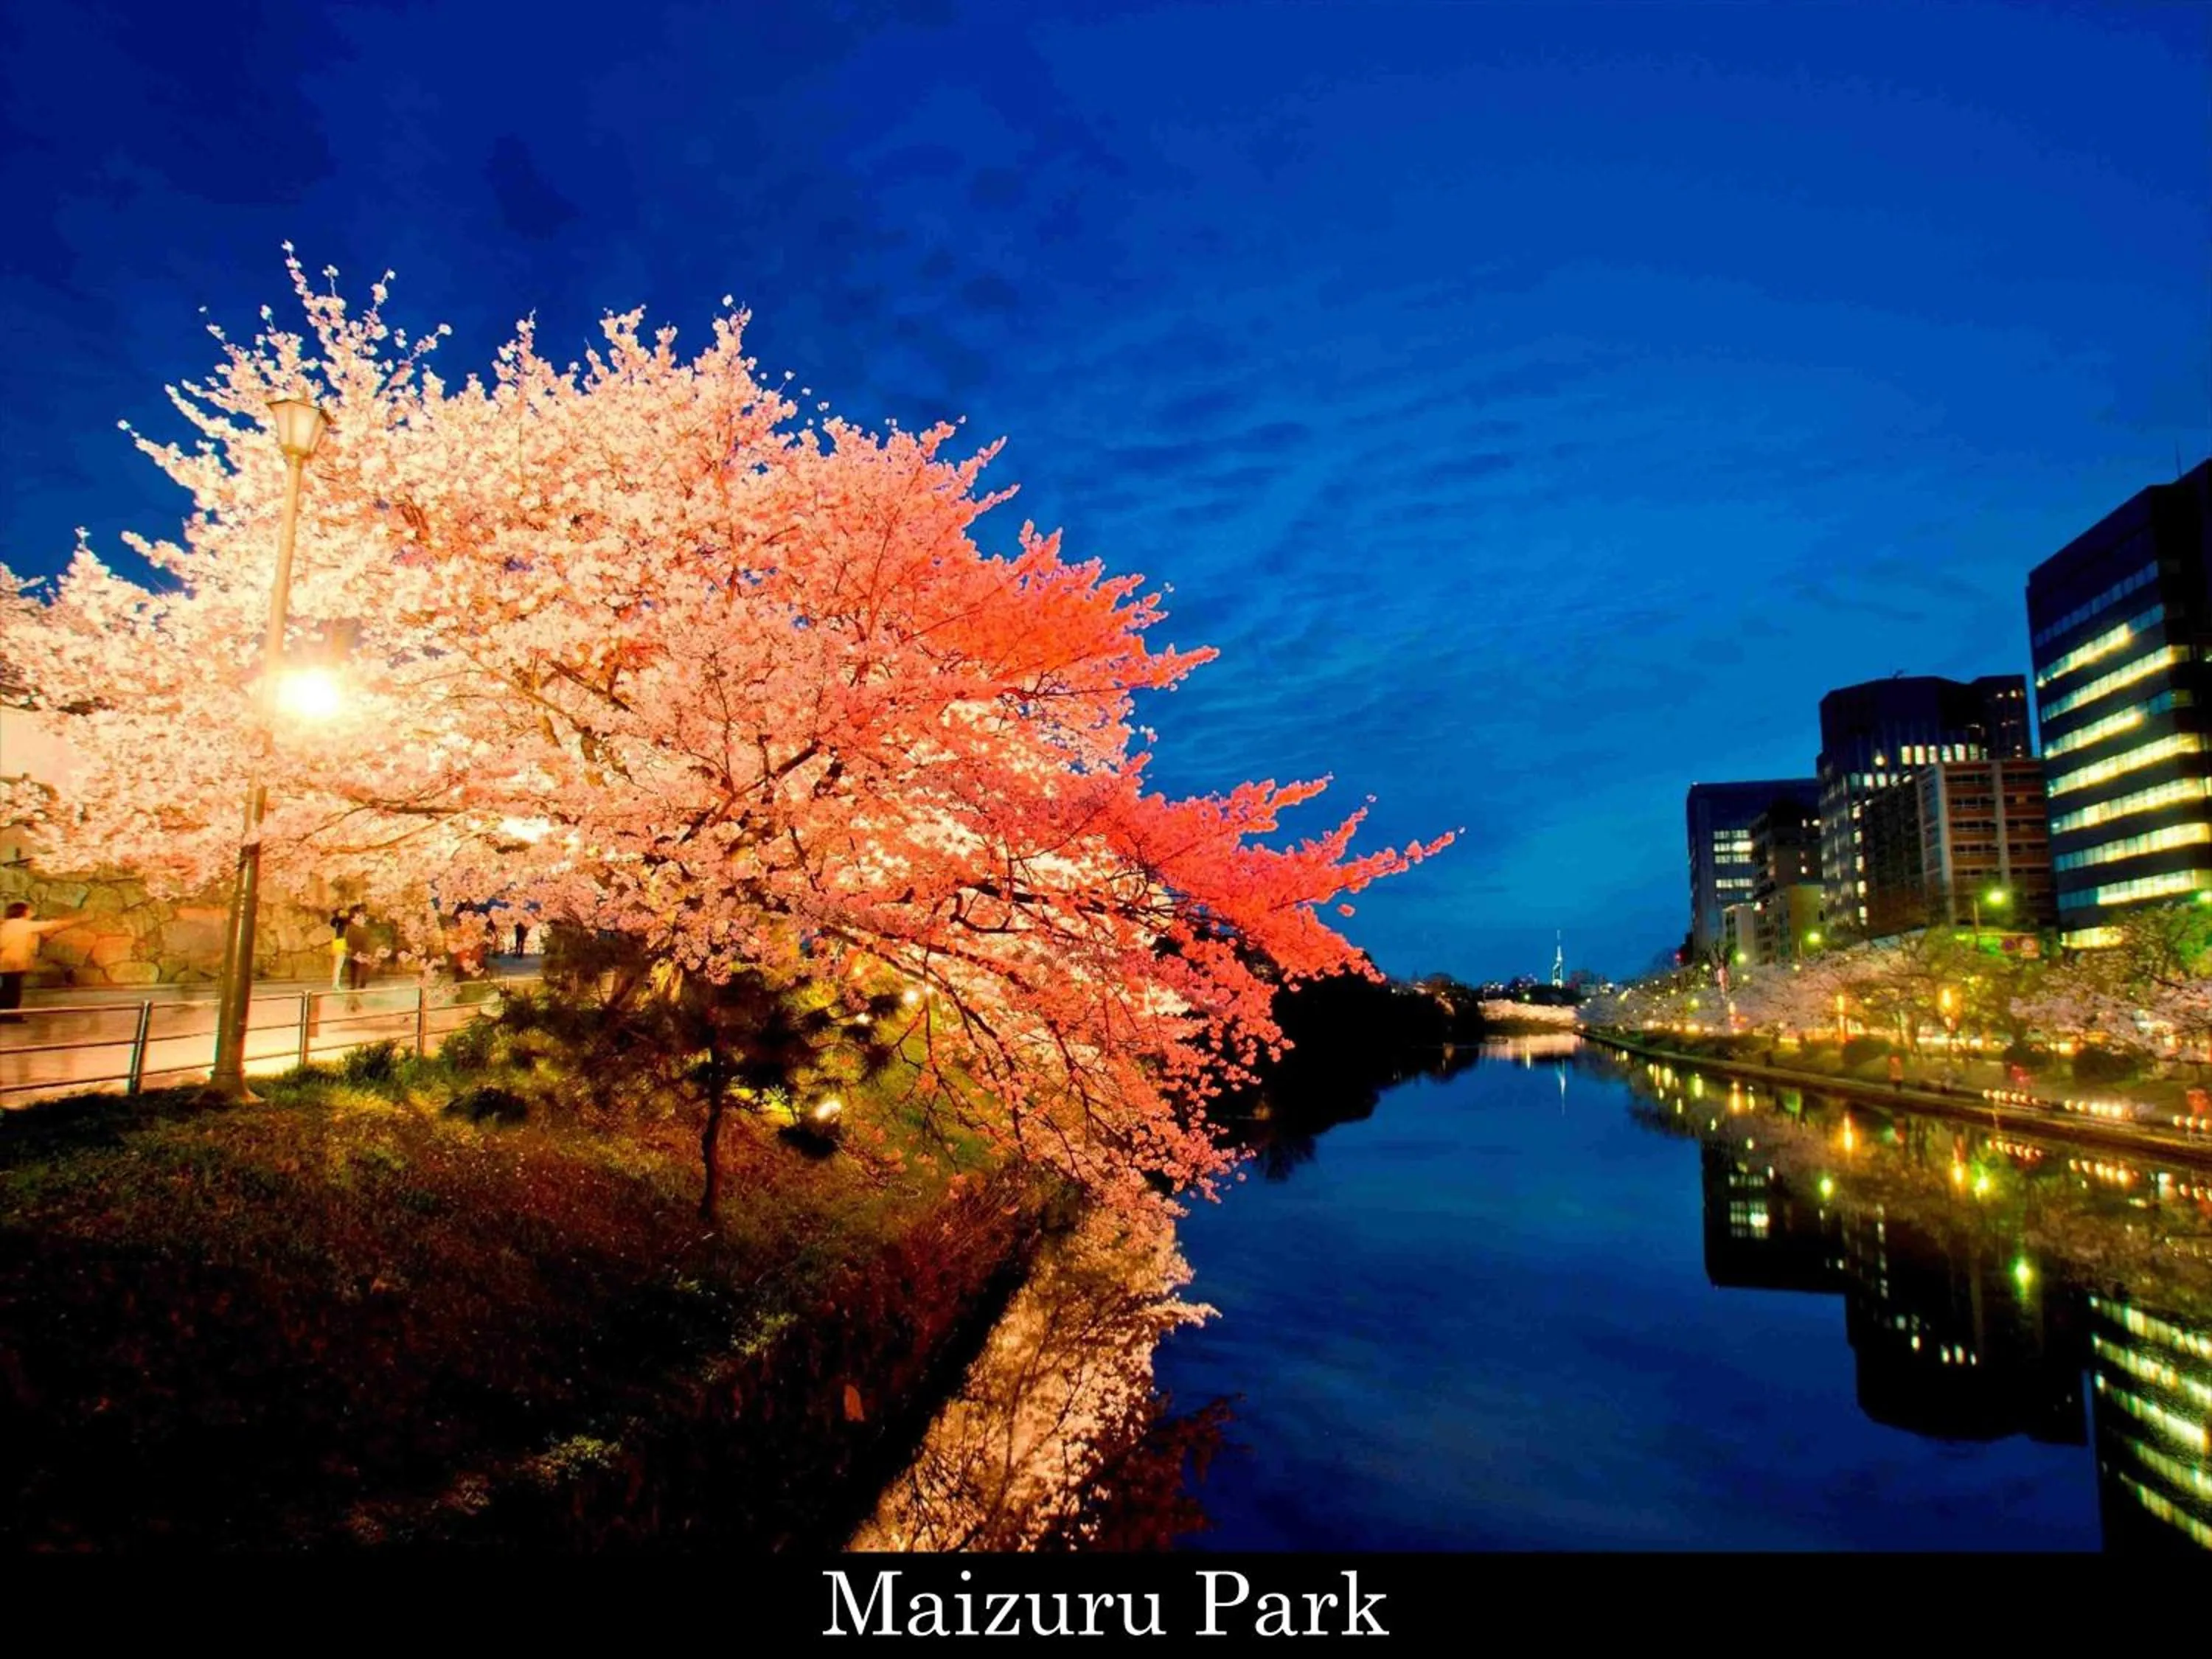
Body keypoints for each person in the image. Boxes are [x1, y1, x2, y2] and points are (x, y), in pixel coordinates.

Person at [0, 902, 84, 1023]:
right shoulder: (21, 925)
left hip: (8, 963)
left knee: (9, 989)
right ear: (22, 912)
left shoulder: (9, 925)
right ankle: (9, 1016)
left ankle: (8, 1014)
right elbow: (50, 925)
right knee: (12, 991)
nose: (31, 912)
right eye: (29, 910)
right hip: (13, 963)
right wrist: (74, 920)